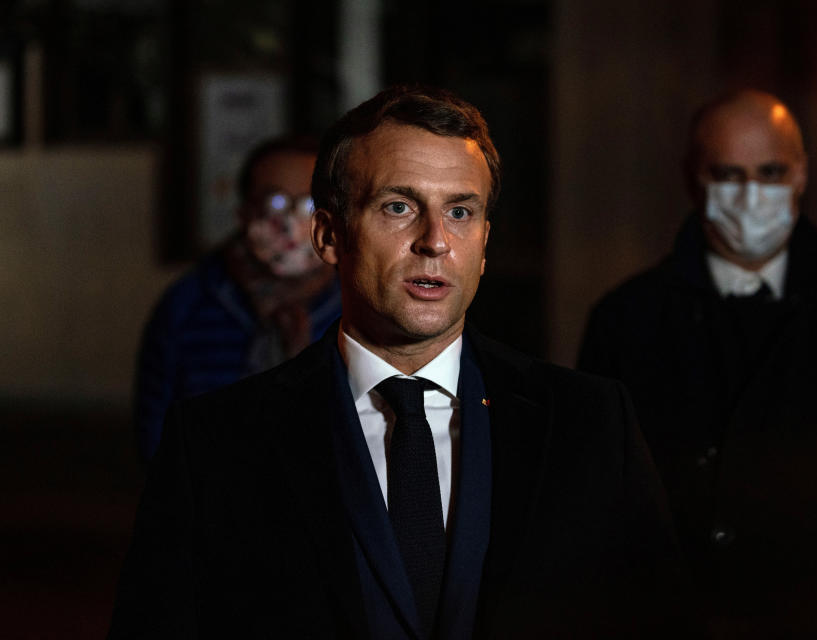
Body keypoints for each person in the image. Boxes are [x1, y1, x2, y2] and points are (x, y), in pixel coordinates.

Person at [109, 85, 689, 639]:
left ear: (485, 241)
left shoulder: (589, 425)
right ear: (329, 234)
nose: (435, 240)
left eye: (461, 212)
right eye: (398, 206)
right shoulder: (214, 444)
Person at [579, 89, 817, 635]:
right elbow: (593, 506)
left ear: (801, 174)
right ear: (692, 177)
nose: (751, 196)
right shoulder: (625, 318)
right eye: (728, 174)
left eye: (770, 172)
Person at [133, 137, 341, 460]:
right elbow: (155, 431)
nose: (290, 226)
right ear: (243, 214)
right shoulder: (188, 305)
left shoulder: (363, 307)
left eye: (309, 205)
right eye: (273, 204)